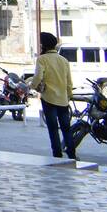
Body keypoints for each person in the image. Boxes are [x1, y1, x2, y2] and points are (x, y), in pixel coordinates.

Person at [29, 32, 77, 160]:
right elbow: (69, 81)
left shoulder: (42, 59)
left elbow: (38, 76)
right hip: (63, 99)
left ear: (43, 45)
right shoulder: (64, 60)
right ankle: (72, 154)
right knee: (66, 128)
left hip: (48, 98)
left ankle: (57, 154)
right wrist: (69, 95)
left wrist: (32, 87)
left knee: (53, 128)